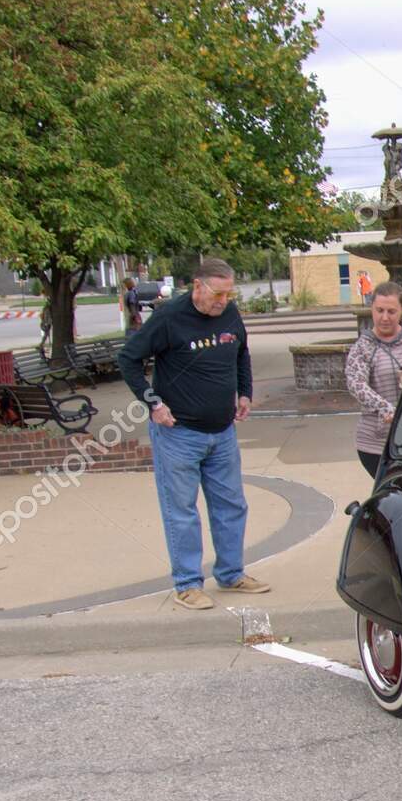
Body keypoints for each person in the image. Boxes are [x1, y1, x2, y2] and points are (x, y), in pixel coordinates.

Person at [117, 257, 270, 610]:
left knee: (231, 505)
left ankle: (231, 574)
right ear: (197, 286)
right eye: (217, 294)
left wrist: (244, 392)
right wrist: (153, 403)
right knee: (182, 510)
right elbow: (128, 359)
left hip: (223, 431)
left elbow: (241, 353)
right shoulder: (169, 317)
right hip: (178, 434)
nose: (223, 301)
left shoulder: (230, 314)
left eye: (229, 294)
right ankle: (187, 583)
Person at [344, 281, 402, 475]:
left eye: (391, 311)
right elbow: (356, 384)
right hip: (377, 442)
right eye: (379, 310)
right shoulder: (363, 346)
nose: (384, 317)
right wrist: (386, 409)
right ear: (371, 309)